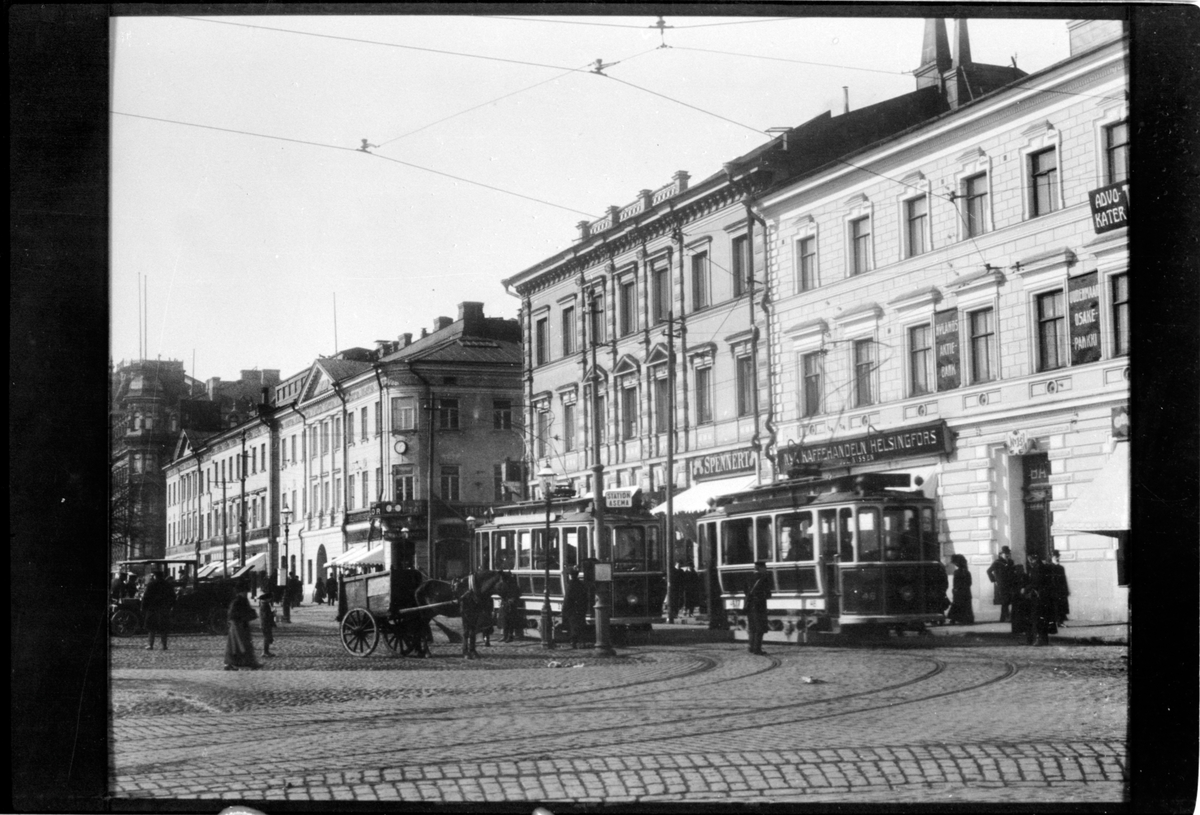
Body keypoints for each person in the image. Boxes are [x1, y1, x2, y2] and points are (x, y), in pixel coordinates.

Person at [224, 588, 260, 671]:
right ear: (241, 592)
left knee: (245, 645)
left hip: (243, 625)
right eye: (245, 592)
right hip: (237, 626)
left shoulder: (243, 601)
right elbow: (232, 615)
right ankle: (231, 663)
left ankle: (248, 662)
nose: (246, 593)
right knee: (236, 646)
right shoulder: (237, 602)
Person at [141, 571, 175, 651]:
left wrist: (143, 607)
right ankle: (164, 645)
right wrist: (170, 606)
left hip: (152, 608)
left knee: (151, 628)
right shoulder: (168, 585)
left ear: (155, 576)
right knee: (163, 628)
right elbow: (173, 597)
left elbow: (146, 597)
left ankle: (150, 645)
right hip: (164, 608)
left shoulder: (151, 584)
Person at [1025, 552, 1055, 646]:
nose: (1030, 561)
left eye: (1031, 559)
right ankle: (1044, 639)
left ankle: (1039, 639)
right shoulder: (1043, 567)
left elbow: (1036, 582)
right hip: (1045, 597)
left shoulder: (1037, 568)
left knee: (1037, 618)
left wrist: (1026, 589)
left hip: (1039, 597)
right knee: (1043, 618)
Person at [744, 561, 772, 655]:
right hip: (759, 605)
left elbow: (745, 590)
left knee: (752, 627)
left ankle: (751, 647)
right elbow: (768, 594)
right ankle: (757, 649)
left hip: (749, 605)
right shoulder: (763, 578)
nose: (766, 569)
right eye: (765, 568)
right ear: (760, 568)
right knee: (760, 628)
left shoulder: (748, 577)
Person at [986, 546, 1016, 623]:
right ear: (1001, 554)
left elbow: (1013, 572)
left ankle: (1003, 618)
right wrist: (994, 580)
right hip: (1001, 584)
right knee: (1005, 600)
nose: (1007, 554)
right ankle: (1006, 617)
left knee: (1008, 601)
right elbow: (989, 571)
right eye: (1005, 553)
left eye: (1008, 553)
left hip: (1010, 583)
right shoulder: (997, 562)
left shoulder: (1010, 562)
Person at [562, 567, 589, 649]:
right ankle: (582, 643)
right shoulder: (581, 584)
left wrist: (564, 610)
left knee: (573, 626)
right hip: (581, 608)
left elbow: (567, 598)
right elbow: (585, 597)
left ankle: (574, 643)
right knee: (581, 625)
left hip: (572, 609)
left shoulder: (570, 585)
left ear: (570, 576)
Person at [946, 554, 974, 625]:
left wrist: (955, 590)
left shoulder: (957, 572)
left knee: (956, 606)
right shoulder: (967, 572)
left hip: (958, 592)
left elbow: (955, 583)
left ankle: (953, 619)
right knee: (966, 606)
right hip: (966, 592)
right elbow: (969, 583)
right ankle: (966, 619)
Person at [1049, 550, 1070, 626]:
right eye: (1055, 556)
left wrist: (1066, 590)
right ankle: (1054, 622)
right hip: (1052, 590)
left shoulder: (1061, 567)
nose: (1057, 558)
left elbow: (1063, 580)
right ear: (1052, 557)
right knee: (1053, 606)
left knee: (1061, 606)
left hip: (1060, 590)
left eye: (1058, 556)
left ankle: (1060, 622)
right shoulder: (1049, 567)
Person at [257, 587, 276, 658]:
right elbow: (265, 616)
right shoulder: (265, 605)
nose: (271, 599)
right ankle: (265, 652)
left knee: (267, 637)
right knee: (266, 638)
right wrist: (273, 614)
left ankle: (266, 651)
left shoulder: (264, 604)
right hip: (265, 624)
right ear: (267, 598)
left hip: (264, 624)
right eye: (270, 598)